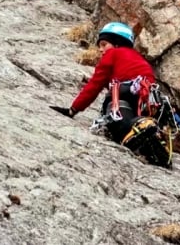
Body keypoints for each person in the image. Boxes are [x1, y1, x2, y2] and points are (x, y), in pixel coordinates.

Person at [50, 22, 170, 165]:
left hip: (124, 91)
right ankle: (151, 139)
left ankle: (135, 127)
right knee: (137, 120)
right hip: (150, 98)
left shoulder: (112, 54)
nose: (101, 50)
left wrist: (73, 109)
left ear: (117, 43)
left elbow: (95, 84)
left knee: (115, 114)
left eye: (104, 44)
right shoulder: (139, 59)